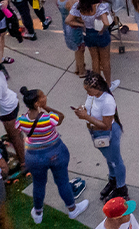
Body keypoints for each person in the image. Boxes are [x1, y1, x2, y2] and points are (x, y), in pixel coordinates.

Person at [16, 87, 89, 222]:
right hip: (56, 153)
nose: (45, 96)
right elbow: (60, 117)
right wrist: (46, 107)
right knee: (62, 181)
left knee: (38, 184)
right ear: (37, 103)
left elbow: (18, 129)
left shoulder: (21, 120)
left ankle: (38, 213)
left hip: (34, 157)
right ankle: (72, 209)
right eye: (42, 96)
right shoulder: (48, 118)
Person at [73, 72, 128, 200]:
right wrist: (83, 110)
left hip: (107, 134)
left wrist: (86, 117)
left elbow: (106, 125)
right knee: (109, 159)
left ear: (98, 88)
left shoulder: (108, 101)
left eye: (89, 90)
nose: (87, 93)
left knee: (116, 161)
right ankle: (113, 180)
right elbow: (90, 108)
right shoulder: (93, 96)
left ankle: (122, 189)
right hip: (96, 133)